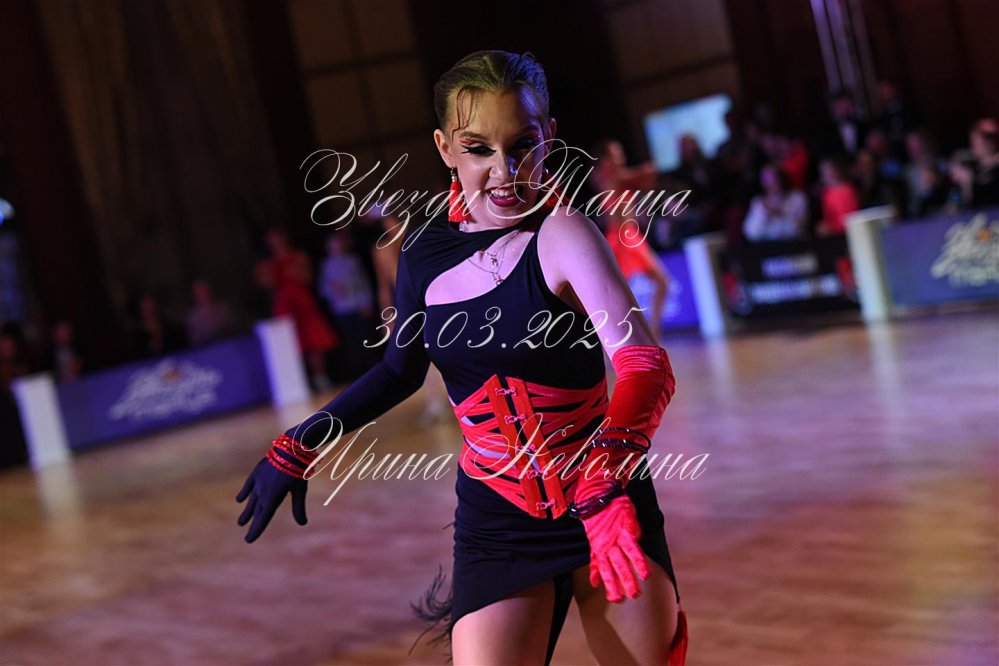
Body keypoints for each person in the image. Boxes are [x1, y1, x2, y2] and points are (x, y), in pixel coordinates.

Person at [235, 50, 687, 666]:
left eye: (523, 144)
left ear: (549, 137)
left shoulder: (565, 235)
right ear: (445, 148)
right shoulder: (422, 253)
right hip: (497, 521)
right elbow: (399, 369)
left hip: (604, 499)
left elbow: (644, 365)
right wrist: (302, 441)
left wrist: (605, 478)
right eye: (478, 149)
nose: (504, 170)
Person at [590, 138, 672, 342]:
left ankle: (651, 334)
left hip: (631, 237)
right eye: (615, 155)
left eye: (620, 153)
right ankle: (619, 337)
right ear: (605, 160)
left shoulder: (615, 178)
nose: (620, 158)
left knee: (660, 283)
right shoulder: (613, 179)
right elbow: (647, 174)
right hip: (620, 240)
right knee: (616, 294)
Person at [258, 229, 338, 392]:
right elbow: (266, 285)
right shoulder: (269, 264)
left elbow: (308, 278)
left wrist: (297, 272)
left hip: (302, 301)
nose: (276, 242)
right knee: (291, 344)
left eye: (278, 238)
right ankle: (299, 382)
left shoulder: (299, 256)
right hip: (284, 306)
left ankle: (320, 377)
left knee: (314, 341)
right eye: (272, 240)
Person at [741, 163, 809, 242]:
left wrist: (780, 213)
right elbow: (751, 233)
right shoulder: (758, 202)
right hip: (767, 247)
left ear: (782, 178)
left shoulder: (797, 198)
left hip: (793, 245)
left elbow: (798, 229)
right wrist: (764, 214)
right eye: (766, 179)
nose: (771, 182)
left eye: (774, 178)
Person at [817, 157, 861, 236]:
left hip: (848, 233)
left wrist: (832, 227)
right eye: (822, 171)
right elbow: (828, 218)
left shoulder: (847, 190)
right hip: (833, 235)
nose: (824, 174)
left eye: (827, 169)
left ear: (836, 170)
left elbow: (850, 218)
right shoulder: (826, 193)